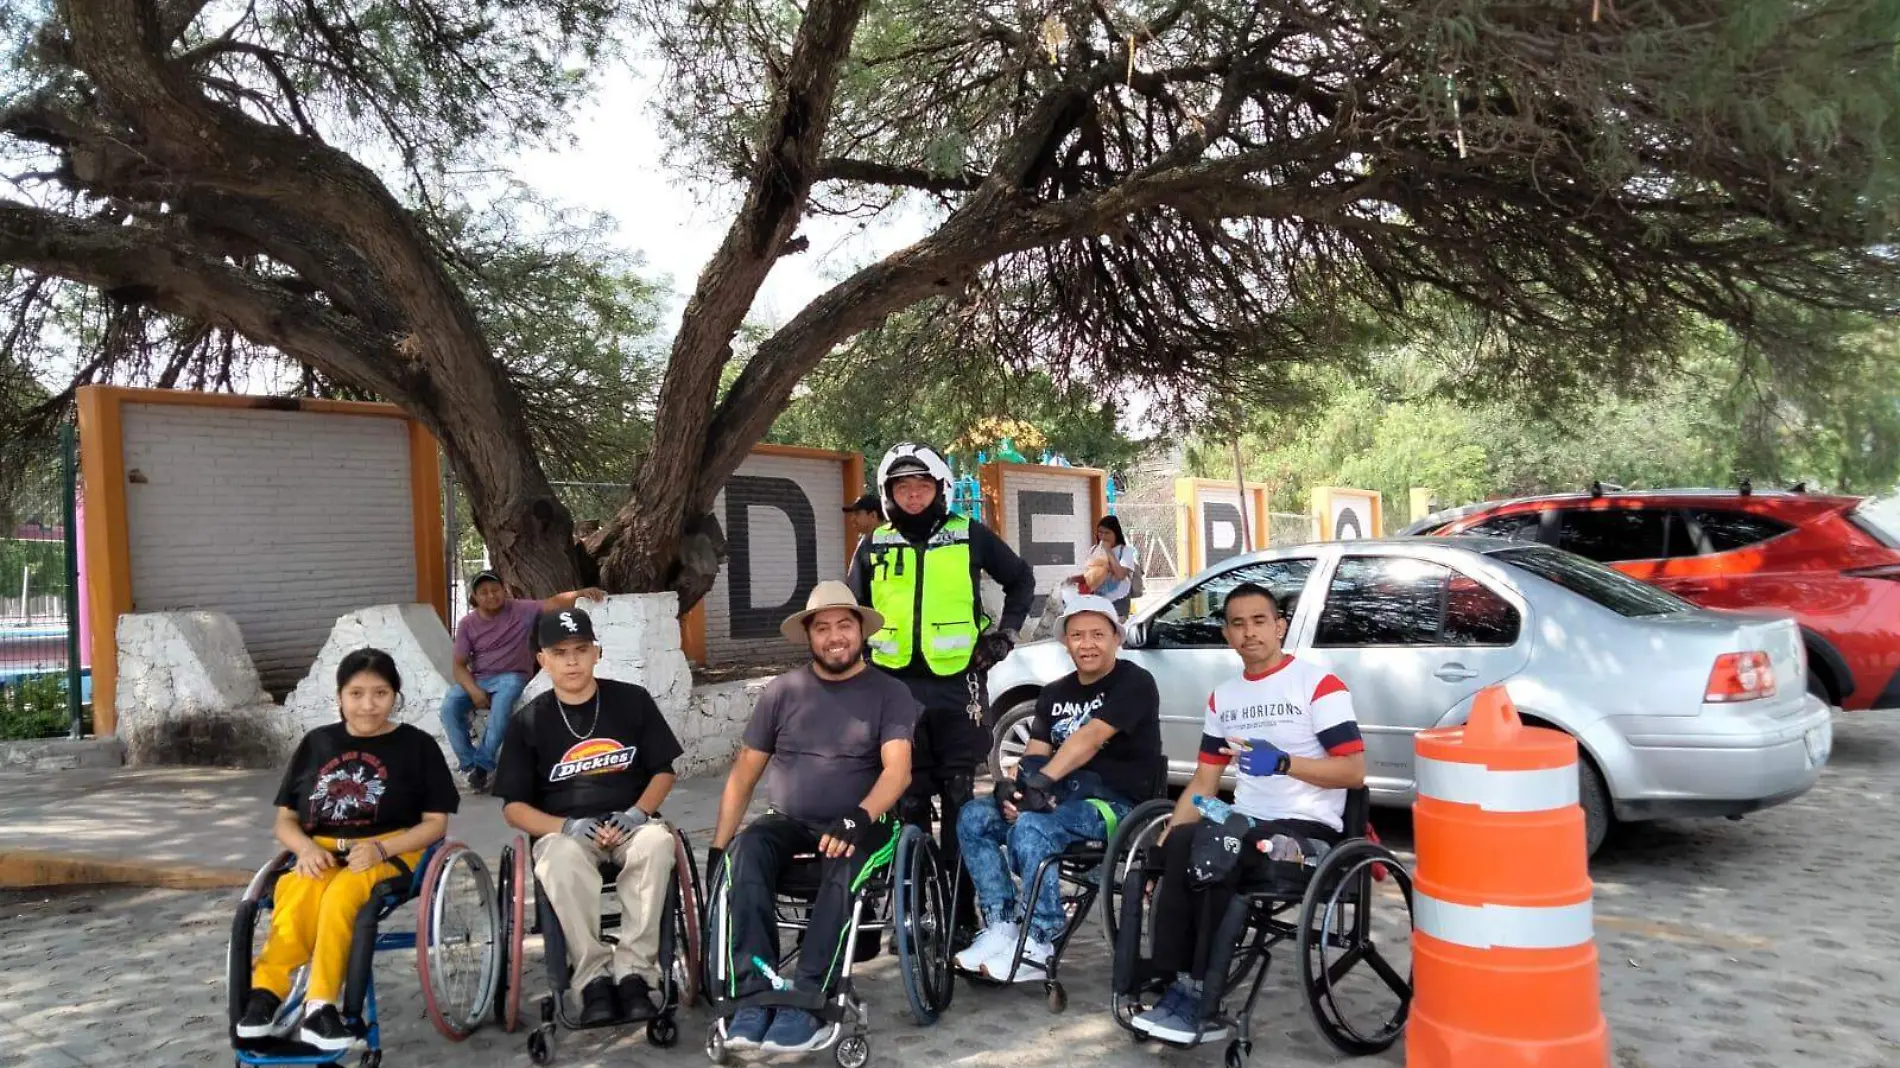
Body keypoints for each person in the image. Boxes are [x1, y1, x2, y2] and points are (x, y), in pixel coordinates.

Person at [1130, 583, 1366, 1044]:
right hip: (1244, 821)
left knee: (1223, 846)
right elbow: (1203, 784)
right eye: (1237, 624)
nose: (1249, 632)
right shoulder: (1224, 698)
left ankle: (1200, 995)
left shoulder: (1318, 685)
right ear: (1226, 634)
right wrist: (1170, 833)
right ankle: (1169, 980)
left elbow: (1354, 772)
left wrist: (1283, 762)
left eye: (1260, 621)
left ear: (1279, 626)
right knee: (1180, 842)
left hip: (1306, 833)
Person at [708, 582, 920, 1054]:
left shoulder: (890, 692)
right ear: (809, 636)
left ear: (860, 631)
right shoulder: (782, 692)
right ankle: (752, 995)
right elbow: (743, 776)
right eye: (822, 628)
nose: (834, 636)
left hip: (866, 823)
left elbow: (898, 771)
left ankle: (807, 999)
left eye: (844, 625)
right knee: (746, 853)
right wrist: (719, 849)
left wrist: (857, 819)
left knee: (845, 867)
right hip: (789, 820)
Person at [847, 442, 1033, 928]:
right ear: (888, 493)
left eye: (922, 485)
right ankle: (913, 913)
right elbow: (850, 609)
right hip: (894, 691)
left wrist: (1005, 635)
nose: (913, 494)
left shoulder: (968, 534)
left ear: (940, 488)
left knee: (957, 799)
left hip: (958, 689)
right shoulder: (874, 544)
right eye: (902, 487)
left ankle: (959, 911)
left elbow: (1021, 579)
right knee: (905, 799)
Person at [236, 649, 459, 1052]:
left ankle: (320, 1007)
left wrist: (379, 848)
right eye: (356, 694)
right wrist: (303, 849)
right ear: (339, 697)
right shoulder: (316, 744)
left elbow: (435, 824)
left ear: (395, 696)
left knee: (343, 895)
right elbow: (285, 820)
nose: (368, 705)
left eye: (380, 693)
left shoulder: (418, 746)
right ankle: (265, 995)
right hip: (320, 848)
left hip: (393, 850)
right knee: (297, 891)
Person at [953, 594, 1162, 980]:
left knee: (1034, 828)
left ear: (1116, 638)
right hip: (1055, 800)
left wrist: (1041, 785)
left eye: (1098, 634)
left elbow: (1090, 738)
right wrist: (1014, 790)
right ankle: (1001, 924)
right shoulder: (1054, 694)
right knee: (974, 817)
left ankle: (1040, 938)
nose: (1087, 643)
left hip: (1112, 807)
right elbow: (1034, 754)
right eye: (1078, 635)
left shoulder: (1134, 682)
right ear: (1066, 641)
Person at [494, 606, 683, 1027]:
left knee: (657, 842)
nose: (572, 660)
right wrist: (565, 827)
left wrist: (638, 814)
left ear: (597, 652)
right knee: (558, 859)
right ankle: (593, 977)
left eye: (581, 649)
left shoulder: (631, 700)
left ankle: (634, 972)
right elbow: (513, 808)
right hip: (567, 831)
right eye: (560, 652)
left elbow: (663, 771)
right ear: (543, 660)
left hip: (630, 822)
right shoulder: (528, 721)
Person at [440, 570, 607, 793]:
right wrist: (473, 690)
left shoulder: (520, 609)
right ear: (475, 597)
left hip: (512, 675)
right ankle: (470, 764)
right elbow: (459, 665)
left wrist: (580, 593)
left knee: (502, 706)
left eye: (495, 590)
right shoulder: (467, 624)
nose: (491, 596)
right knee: (449, 707)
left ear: (504, 590)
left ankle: (483, 765)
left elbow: (553, 603)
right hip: (480, 678)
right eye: (484, 592)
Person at [1079, 516, 1138, 618]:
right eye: (1100, 532)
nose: (1103, 536)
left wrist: (1108, 551)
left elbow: (1120, 574)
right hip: (1097, 600)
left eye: (1107, 533)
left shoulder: (1125, 551)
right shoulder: (1094, 550)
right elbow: (1089, 573)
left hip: (1118, 602)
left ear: (1116, 534)